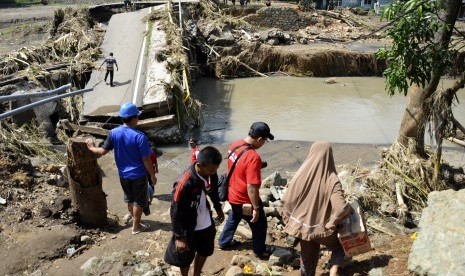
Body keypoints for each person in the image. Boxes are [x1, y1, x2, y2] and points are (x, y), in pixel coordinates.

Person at [280, 141, 353, 276]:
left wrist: (291, 220)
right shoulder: (332, 179)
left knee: (308, 257)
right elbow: (340, 208)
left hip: (303, 226)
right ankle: (334, 270)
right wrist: (333, 222)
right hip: (321, 228)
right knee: (340, 247)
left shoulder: (300, 175)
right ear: (329, 156)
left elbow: (287, 200)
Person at [86, 102, 157, 235]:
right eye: (137, 116)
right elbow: (146, 159)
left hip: (123, 175)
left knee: (130, 199)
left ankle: (135, 221)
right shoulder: (140, 137)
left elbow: (102, 151)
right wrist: (152, 175)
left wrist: (90, 148)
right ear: (134, 118)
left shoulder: (113, 133)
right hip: (138, 175)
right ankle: (136, 227)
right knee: (139, 201)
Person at [164, 146, 225, 276]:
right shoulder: (184, 183)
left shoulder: (210, 173)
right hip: (188, 226)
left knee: (205, 251)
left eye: (215, 169)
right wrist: (179, 236)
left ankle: (196, 274)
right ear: (199, 165)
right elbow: (175, 210)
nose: (213, 172)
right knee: (184, 257)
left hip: (206, 223)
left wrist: (218, 208)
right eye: (211, 170)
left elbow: (213, 191)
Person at [217, 122, 274, 259]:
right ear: (259, 139)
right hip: (245, 200)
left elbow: (237, 166)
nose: (264, 143)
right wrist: (256, 207)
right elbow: (252, 187)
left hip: (232, 194)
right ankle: (260, 251)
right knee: (259, 225)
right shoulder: (253, 157)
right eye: (265, 140)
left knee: (235, 216)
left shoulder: (235, 144)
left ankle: (223, 242)